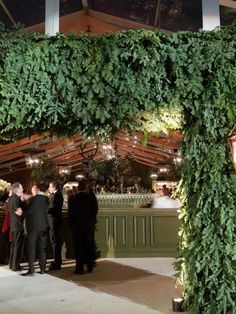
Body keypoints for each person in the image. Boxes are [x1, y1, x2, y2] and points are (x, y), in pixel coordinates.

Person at [68, 178, 97, 274]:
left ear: (78, 188)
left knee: (78, 247)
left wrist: (71, 225)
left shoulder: (73, 198)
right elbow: (95, 210)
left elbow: (70, 214)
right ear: (86, 188)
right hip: (88, 225)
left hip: (77, 226)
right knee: (88, 245)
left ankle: (79, 268)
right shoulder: (90, 198)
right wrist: (91, 220)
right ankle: (89, 266)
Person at [22, 183, 49, 276]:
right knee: (42, 248)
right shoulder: (47, 200)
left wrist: (21, 213)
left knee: (31, 248)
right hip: (44, 227)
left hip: (33, 228)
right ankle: (42, 269)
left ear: (37, 189)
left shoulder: (31, 200)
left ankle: (31, 270)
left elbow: (28, 213)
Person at [8, 182, 24, 271]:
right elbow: (18, 212)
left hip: (14, 225)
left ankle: (12, 264)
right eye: (21, 188)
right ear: (17, 189)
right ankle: (15, 266)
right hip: (18, 225)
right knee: (17, 246)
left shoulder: (11, 198)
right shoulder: (16, 199)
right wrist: (24, 212)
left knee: (14, 245)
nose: (22, 190)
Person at [48, 181, 64, 270]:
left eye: (50, 187)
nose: (49, 188)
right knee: (56, 241)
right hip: (54, 221)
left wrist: (45, 209)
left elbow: (53, 209)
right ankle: (58, 260)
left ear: (54, 187)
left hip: (54, 221)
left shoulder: (56, 195)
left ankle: (57, 263)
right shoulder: (56, 194)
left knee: (54, 241)